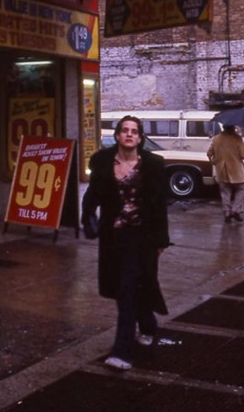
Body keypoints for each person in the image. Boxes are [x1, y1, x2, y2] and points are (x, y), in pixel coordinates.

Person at [82, 114, 170, 372]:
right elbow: (93, 195)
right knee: (126, 287)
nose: (129, 134)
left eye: (134, 131)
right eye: (125, 130)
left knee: (128, 288)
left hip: (142, 238)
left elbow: (159, 206)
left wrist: (161, 239)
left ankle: (122, 351)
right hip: (114, 238)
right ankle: (149, 325)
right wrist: (88, 217)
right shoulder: (102, 162)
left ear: (140, 137)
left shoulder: (153, 165)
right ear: (118, 135)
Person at [207, 124, 244, 223]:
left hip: (221, 171)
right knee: (241, 190)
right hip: (236, 171)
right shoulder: (237, 139)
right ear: (232, 128)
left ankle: (227, 213)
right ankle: (236, 210)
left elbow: (209, 153)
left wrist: (215, 162)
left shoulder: (216, 139)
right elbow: (243, 155)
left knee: (225, 192)